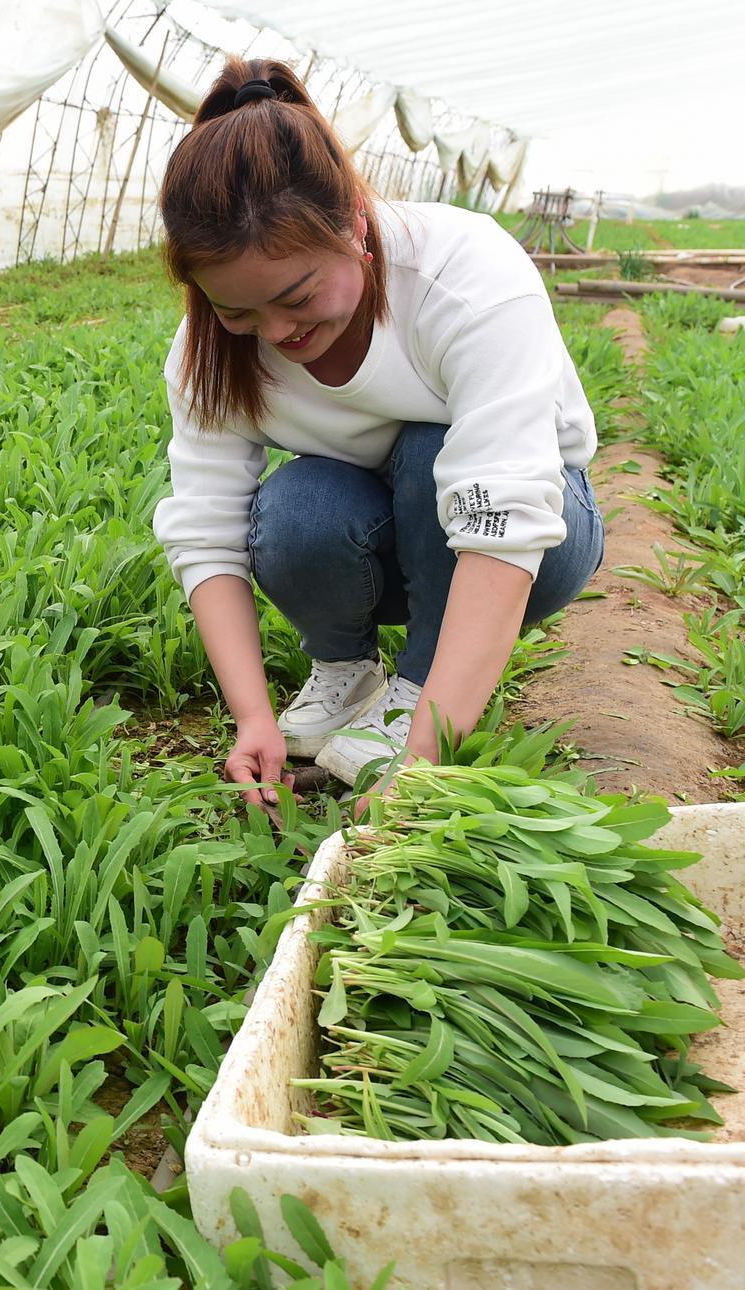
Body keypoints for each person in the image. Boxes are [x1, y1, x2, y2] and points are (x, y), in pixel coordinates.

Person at [151, 59, 604, 801]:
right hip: (381, 536)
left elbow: (507, 523)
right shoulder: (206, 350)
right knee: (296, 505)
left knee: (432, 448)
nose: (277, 332)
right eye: (238, 312)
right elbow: (206, 532)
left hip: (537, 536)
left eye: (297, 296)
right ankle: (346, 675)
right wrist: (252, 719)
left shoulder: (466, 275)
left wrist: (423, 766)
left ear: (355, 226)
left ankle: (418, 693)